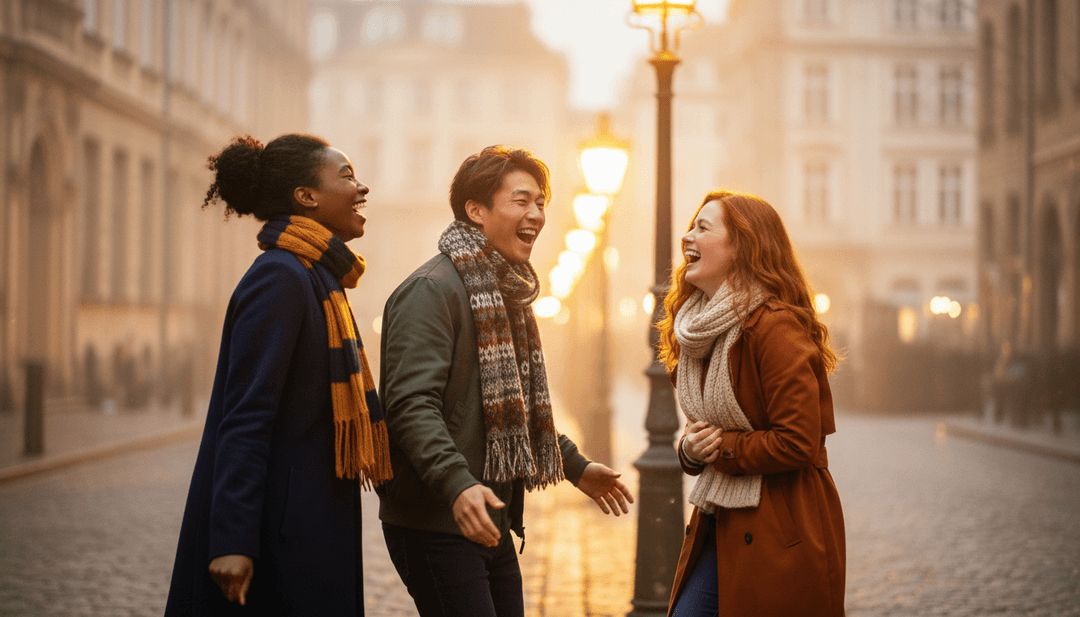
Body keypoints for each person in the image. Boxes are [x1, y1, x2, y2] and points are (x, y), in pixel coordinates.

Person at [377, 145, 634, 617]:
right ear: (475, 210)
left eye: (541, 203)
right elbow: (411, 406)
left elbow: (510, 409)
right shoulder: (432, 290)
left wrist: (574, 466)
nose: (536, 214)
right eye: (522, 200)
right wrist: (457, 485)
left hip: (491, 515)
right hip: (439, 520)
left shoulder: (503, 293)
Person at [165, 134, 391, 616]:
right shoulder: (281, 277)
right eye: (347, 175)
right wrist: (232, 540)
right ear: (306, 197)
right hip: (281, 535)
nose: (362, 187)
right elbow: (246, 416)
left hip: (310, 521)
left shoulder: (317, 275)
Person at [661, 190, 846, 617]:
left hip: (781, 529)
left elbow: (799, 440)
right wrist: (690, 450)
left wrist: (722, 447)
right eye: (691, 226)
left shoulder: (776, 327)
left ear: (742, 245)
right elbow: (701, 433)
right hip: (720, 520)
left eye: (702, 228)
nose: (687, 236)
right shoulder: (698, 331)